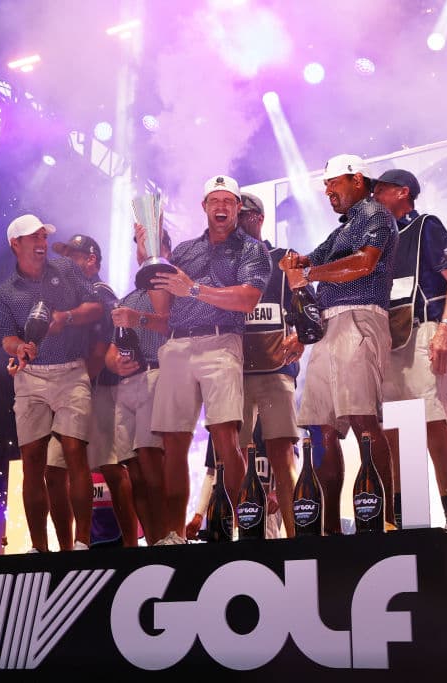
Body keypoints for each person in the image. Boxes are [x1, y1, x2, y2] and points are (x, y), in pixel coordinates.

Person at [148, 174, 271, 545]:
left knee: (226, 439)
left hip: (221, 343)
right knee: (173, 443)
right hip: (177, 345)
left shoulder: (252, 250)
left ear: (237, 207)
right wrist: (150, 259)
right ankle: (174, 535)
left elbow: (247, 299)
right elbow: (163, 307)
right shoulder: (184, 251)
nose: (221, 207)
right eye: (214, 201)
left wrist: (194, 289)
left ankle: (247, 529)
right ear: (204, 207)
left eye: (228, 201)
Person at [278, 154, 399, 529]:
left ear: (356, 179)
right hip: (329, 326)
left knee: (363, 420)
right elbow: (308, 261)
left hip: (360, 317)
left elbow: (364, 263)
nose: (328, 191)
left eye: (334, 183)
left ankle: (384, 523)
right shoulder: (342, 230)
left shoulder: (375, 214)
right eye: (326, 185)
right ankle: (329, 527)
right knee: (321, 428)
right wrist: (295, 263)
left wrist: (307, 273)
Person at [0, 214, 103, 553]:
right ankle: (39, 549)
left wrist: (65, 317)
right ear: (16, 244)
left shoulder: (66, 269)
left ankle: (82, 543)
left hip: (72, 371)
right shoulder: (4, 293)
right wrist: (19, 348)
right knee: (32, 461)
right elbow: (6, 338)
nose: (42, 243)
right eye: (34, 238)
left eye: (43, 236)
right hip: (31, 377)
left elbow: (96, 308)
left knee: (74, 451)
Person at [373, 169, 447, 534]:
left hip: (424, 329)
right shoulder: (379, 240)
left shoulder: (426, 224)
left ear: (403, 192)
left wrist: (446, 328)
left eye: (382, 189)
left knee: (433, 426)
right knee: (396, 434)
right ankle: (408, 523)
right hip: (388, 339)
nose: (375, 195)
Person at [50, 234, 139, 548]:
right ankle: (70, 549)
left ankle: (130, 546)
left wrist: (78, 383)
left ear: (91, 260)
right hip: (69, 388)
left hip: (100, 388)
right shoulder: (66, 298)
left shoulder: (101, 293)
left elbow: (104, 349)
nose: (65, 262)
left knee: (111, 466)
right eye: (64, 256)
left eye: (73, 256)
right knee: (54, 468)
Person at [231, 191, 302, 536]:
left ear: (259, 218)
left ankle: (296, 537)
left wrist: (302, 335)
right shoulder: (226, 265)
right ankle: (242, 536)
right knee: (233, 458)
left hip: (277, 372)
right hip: (236, 374)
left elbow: (307, 303)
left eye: (243, 215)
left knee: (282, 455)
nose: (237, 223)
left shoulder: (284, 259)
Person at [105, 230, 172, 545]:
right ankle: (153, 541)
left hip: (156, 374)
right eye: (139, 246)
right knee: (133, 469)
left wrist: (138, 319)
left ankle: (169, 535)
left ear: (165, 248)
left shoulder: (171, 286)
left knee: (151, 459)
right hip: (126, 385)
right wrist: (114, 363)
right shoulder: (127, 298)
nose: (141, 251)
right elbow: (111, 348)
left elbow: (170, 324)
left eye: (148, 244)